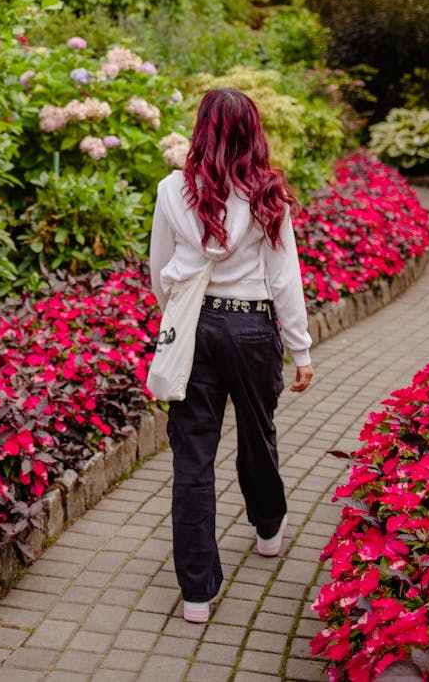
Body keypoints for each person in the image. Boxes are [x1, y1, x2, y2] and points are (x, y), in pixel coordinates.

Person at [149, 88, 314, 624]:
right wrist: (300, 349)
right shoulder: (268, 193)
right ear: (252, 131)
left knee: (192, 458)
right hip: (251, 329)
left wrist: (175, 317)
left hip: (193, 324)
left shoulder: (172, 189)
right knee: (257, 431)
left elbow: (160, 270)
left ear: (202, 129)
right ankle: (268, 527)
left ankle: (197, 593)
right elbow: (284, 278)